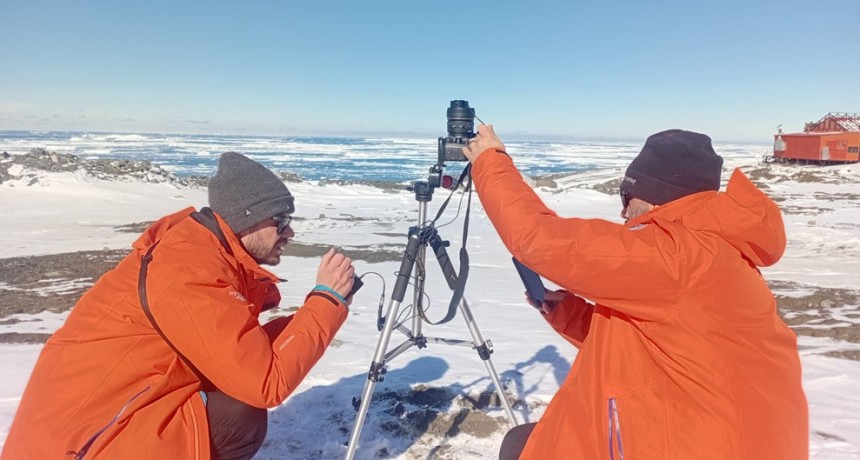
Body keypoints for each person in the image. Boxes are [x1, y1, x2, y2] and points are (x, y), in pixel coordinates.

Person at [463, 127, 808, 459]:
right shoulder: (711, 254)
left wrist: (491, 161)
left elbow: (538, 239)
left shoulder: (678, 257)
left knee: (528, 445)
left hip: (706, 444)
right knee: (525, 442)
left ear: (656, 197)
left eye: (626, 197)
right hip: (716, 435)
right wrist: (569, 313)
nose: (623, 211)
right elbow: (653, 345)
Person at [2, 152, 355, 459]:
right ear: (247, 218)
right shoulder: (191, 274)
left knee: (236, 401)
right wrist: (325, 302)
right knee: (241, 417)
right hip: (82, 443)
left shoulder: (203, 254)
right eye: (281, 221)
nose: (290, 233)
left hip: (102, 416)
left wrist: (322, 307)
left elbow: (243, 349)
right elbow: (265, 383)